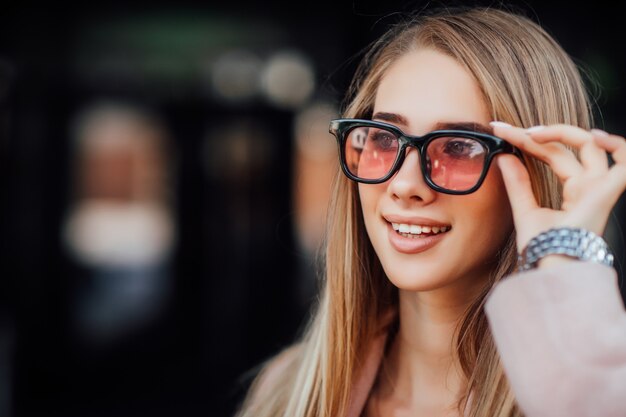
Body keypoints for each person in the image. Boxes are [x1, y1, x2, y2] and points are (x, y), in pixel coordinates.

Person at [235, 6, 626, 417]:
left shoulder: (589, 394)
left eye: (458, 146)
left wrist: (563, 260)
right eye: (384, 139)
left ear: (536, 168)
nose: (404, 185)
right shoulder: (283, 392)